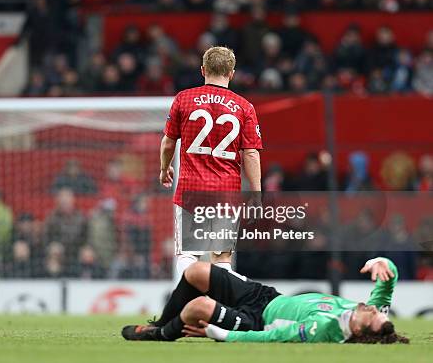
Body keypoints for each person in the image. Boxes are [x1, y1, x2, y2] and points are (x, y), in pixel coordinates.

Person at [122, 257, 409, 344]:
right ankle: (160, 322)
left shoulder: (325, 330)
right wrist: (382, 263)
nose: (371, 308)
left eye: (372, 316)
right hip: (267, 297)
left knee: (196, 308)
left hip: (255, 322)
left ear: (360, 330)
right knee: (196, 271)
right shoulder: (367, 314)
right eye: (377, 311)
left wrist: (222, 334)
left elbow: (273, 337)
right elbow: (385, 287)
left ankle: (160, 335)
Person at [160, 46, 262, 279]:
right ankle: (219, 311)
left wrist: (164, 169)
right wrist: (256, 192)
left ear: (203, 70)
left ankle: (187, 308)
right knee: (222, 258)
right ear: (232, 73)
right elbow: (251, 154)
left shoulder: (183, 99)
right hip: (226, 193)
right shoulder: (244, 107)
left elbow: (168, 143)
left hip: (190, 190)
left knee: (188, 255)